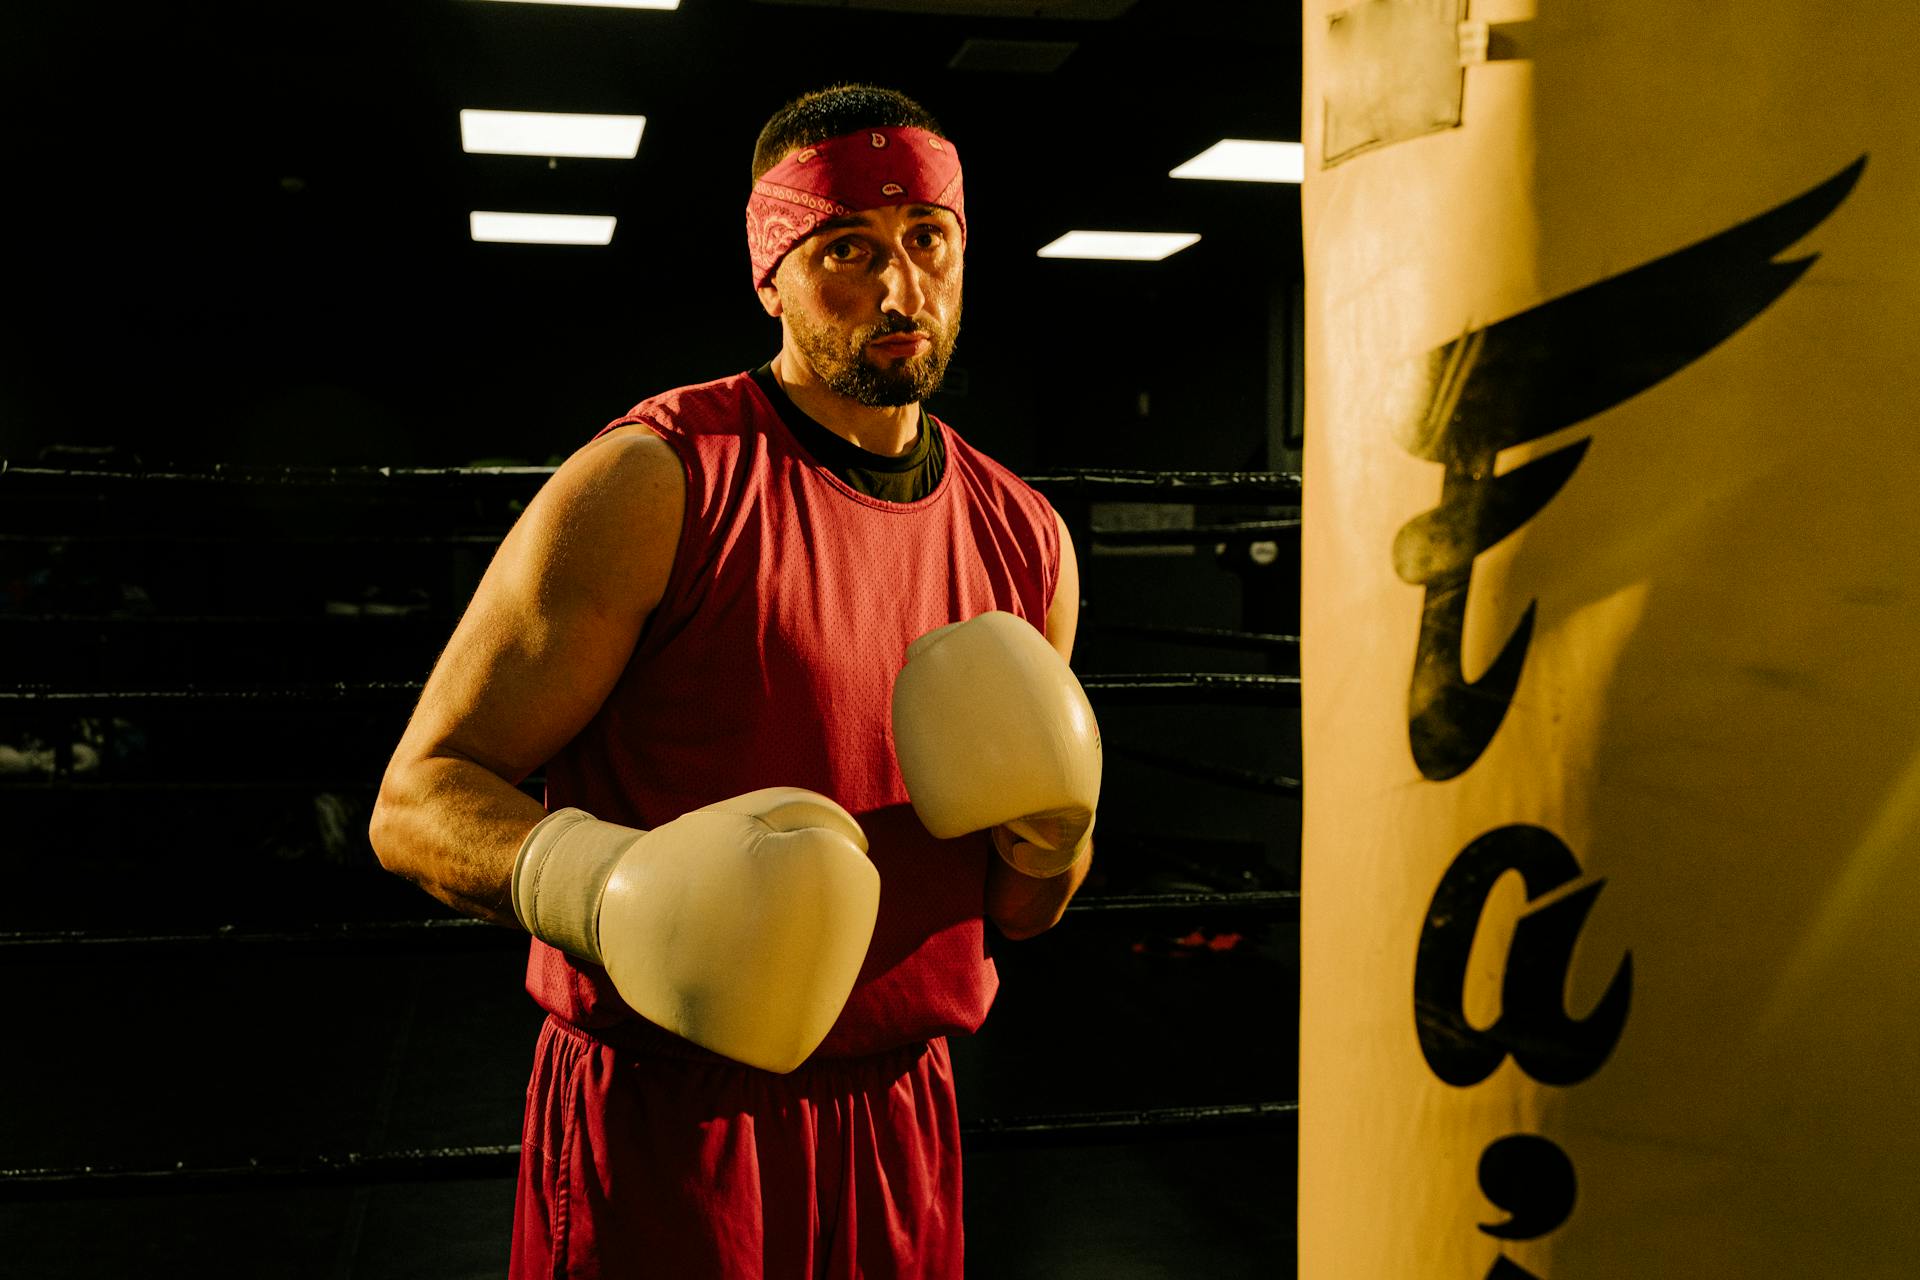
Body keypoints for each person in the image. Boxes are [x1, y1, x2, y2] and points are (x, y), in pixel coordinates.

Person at [369, 83, 1099, 1277]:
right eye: (847, 250)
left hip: (903, 1121)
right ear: (772, 270)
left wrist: (1057, 839)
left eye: (928, 241)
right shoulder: (659, 483)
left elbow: (1021, 911)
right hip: (672, 1116)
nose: (899, 287)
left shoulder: (1027, 539)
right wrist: (611, 886)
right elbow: (416, 800)